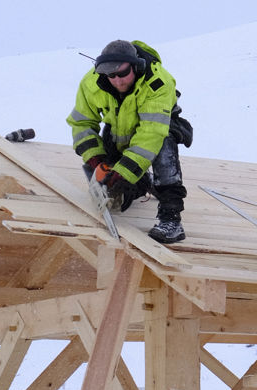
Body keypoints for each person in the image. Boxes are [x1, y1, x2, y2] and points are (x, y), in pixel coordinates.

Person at [66, 38, 190, 245]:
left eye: (123, 73)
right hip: (117, 134)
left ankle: (171, 218)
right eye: (111, 75)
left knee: (164, 147)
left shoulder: (158, 82)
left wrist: (124, 171)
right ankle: (143, 184)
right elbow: (81, 122)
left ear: (135, 66)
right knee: (118, 194)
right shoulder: (92, 82)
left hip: (158, 132)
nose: (118, 81)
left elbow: (151, 134)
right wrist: (96, 159)